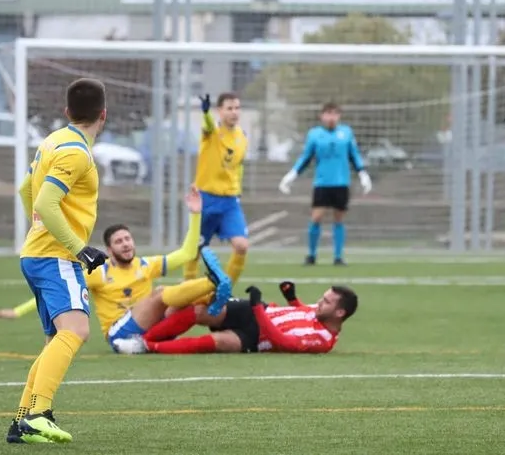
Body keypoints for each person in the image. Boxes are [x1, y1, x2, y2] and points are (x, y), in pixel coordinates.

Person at [0, 186, 227, 350]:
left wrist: (195, 214)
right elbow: (57, 290)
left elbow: (186, 253)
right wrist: (18, 312)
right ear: (109, 249)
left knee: (195, 308)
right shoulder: (99, 273)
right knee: (162, 293)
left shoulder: (146, 265)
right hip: (120, 333)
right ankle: (212, 282)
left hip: (149, 331)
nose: (126, 244)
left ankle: (227, 308)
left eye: (128, 239)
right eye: (119, 241)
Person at [8, 77, 110, 444]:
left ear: (67, 112)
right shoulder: (75, 152)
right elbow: (44, 203)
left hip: (39, 253)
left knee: (56, 339)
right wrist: (78, 248)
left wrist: (36, 233)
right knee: (76, 331)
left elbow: (25, 189)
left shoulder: (53, 141)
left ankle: (23, 419)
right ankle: (37, 415)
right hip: (57, 257)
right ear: (104, 114)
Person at [116, 281, 358, 355]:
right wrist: (292, 299)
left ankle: (148, 346)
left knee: (217, 343)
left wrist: (257, 309)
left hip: (257, 334)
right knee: (200, 311)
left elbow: (283, 341)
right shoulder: (318, 311)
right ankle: (144, 337)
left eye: (326, 301)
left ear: (339, 313)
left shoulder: (322, 341)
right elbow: (302, 313)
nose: (320, 301)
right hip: (256, 310)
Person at [278, 102, 372, 266]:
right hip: (322, 183)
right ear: (322, 116)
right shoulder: (315, 134)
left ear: (339, 116)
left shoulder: (346, 133)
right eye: (328, 114)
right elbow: (306, 158)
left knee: (339, 219)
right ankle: (311, 255)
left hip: (341, 183)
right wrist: (291, 175)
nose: (331, 118)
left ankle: (338, 256)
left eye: (334, 114)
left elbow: (354, 155)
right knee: (316, 217)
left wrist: (363, 173)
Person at [188, 92, 249, 302]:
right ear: (220, 111)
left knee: (241, 245)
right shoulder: (212, 131)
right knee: (195, 249)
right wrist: (205, 112)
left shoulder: (242, 136)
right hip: (206, 198)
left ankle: (225, 292)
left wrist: (237, 189)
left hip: (230, 201)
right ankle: (188, 290)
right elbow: (208, 125)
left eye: (237, 108)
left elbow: (237, 167)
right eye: (229, 108)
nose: (234, 112)